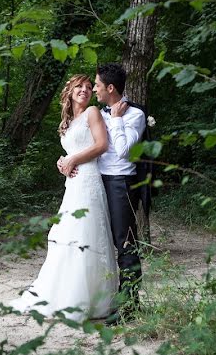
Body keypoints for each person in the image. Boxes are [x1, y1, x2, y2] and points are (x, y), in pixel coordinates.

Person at [9, 74, 118, 322]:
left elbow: (102, 145)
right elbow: (72, 152)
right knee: (68, 233)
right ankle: (65, 294)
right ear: (69, 91)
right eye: (79, 86)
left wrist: (72, 160)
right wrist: (63, 162)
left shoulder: (92, 112)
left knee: (87, 233)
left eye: (89, 87)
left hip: (89, 181)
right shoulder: (68, 121)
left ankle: (91, 299)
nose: (85, 90)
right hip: (74, 184)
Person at [89, 63, 147, 323]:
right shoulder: (97, 112)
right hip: (98, 180)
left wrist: (115, 119)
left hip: (121, 181)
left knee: (124, 242)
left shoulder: (134, 114)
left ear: (110, 88)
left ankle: (129, 306)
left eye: (97, 86)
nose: (94, 90)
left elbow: (124, 151)